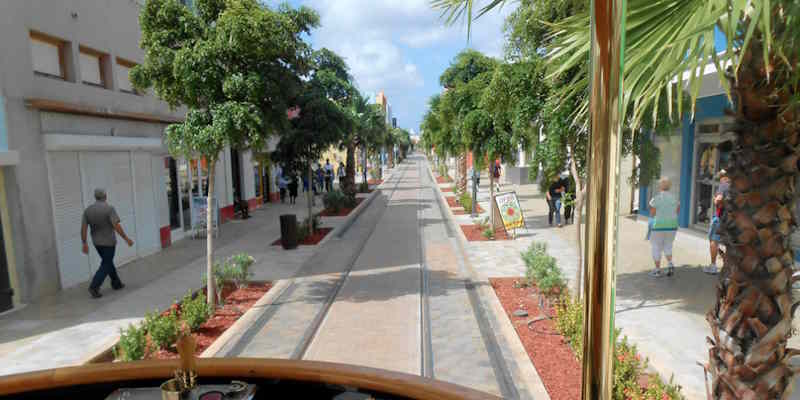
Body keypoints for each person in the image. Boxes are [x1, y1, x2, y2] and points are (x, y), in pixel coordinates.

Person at [81, 188, 134, 299]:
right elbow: (116, 226)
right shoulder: (109, 209)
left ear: (95, 197)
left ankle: (116, 283)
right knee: (106, 263)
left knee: (107, 262)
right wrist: (126, 238)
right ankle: (94, 287)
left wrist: (84, 243)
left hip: (96, 243)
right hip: (109, 242)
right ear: (105, 196)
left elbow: (83, 228)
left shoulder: (88, 211)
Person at [649, 177, 679, 277]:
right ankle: (670, 263)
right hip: (672, 225)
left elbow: (652, 214)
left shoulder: (656, 198)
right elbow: (677, 211)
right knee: (668, 245)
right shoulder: (675, 198)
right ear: (670, 187)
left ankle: (657, 270)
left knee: (656, 247)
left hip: (659, 226)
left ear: (660, 186)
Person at [705, 170, 730, 275]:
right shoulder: (735, 186)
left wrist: (715, 199)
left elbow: (719, 200)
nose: (720, 180)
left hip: (720, 218)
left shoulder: (724, 185)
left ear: (724, 177)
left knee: (714, 240)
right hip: (731, 219)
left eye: (720, 178)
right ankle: (728, 267)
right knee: (729, 243)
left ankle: (713, 266)